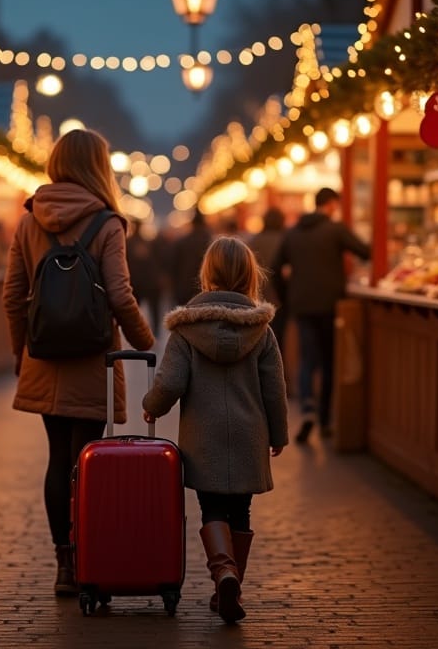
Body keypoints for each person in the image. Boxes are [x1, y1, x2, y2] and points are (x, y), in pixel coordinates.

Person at [2, 128, 155, 597]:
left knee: (56, 460)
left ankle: (64, 565)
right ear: (98, 166)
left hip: (45, 357)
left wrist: (19, 351)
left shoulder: (29, 220)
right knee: (87, 462)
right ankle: (90, 558)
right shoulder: (107, 223)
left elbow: (12, 296)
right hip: (93, 357)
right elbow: (120, 295)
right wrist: (147, 346)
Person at [142, 235, 287, 624]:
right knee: (242, 510)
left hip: (202, 439)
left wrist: (151, 407)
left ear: (207, 274)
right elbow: (275, 390)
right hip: (248, 436)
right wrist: (279, 435)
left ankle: (223, 572)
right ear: (248, 276)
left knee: (212, 509)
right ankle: (231, 580)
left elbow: (170, 383)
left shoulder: (186, 329)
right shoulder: (263, 330)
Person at [272, 188, 370, 444]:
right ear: (331, 204)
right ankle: (325, 420)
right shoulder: (335, 230)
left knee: (307, 360)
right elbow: (365, 252)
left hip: (302, 306)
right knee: (328, 362)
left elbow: (274, 267)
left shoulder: (292, 233)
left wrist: (287, 296)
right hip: (330, 305)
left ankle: (307, 409)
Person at [248, 207, 289, 354]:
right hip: (281, 296)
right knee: (279, 338)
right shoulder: (284, 240)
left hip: (258, 295)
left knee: (258, 338)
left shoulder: (254, 241)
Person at [125, 219, 164, 335]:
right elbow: (156, 262)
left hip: (135, 281)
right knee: (154, 309)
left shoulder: (128, 243)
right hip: (149, 281)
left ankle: (135, 331)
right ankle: (155, 332)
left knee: (134, 309)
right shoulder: (148, 242)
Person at [169, 208, 214, 307]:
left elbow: (174, 266)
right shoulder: (211, 242)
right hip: (206, 290)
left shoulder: (182, 242)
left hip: (184, 287)